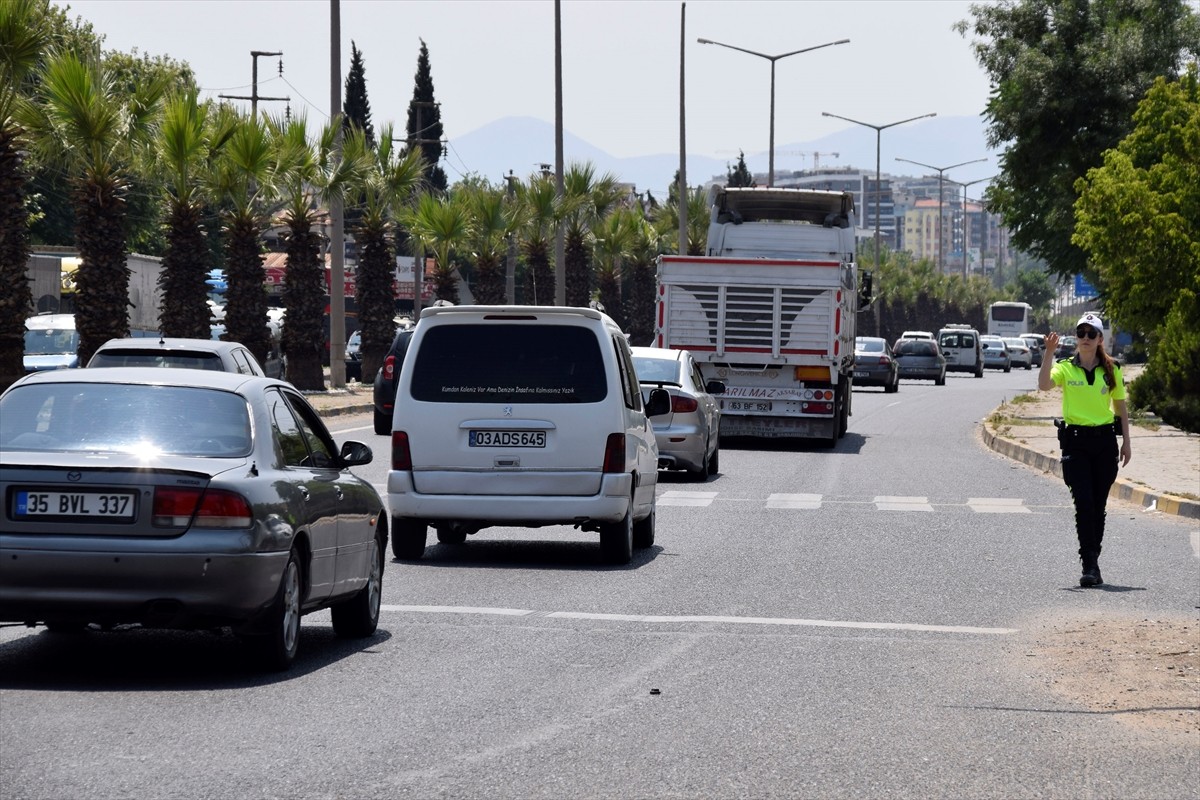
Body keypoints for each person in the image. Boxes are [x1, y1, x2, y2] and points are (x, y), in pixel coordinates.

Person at [1039, 312, 1132, 587]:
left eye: (1092, 334)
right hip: (1076, 442)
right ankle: (1089, 564)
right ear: (1076, 338)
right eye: (1081, 333)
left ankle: (1093, 558)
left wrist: (1127, 441)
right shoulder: (1066, 367)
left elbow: (1121, 408)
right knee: (1083, 502)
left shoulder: (1112, 369)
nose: (1086, 338)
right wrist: (1049, 353)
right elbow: (1044, 385)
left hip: (1104, 443)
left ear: (1100, 338)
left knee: (1098, 505)